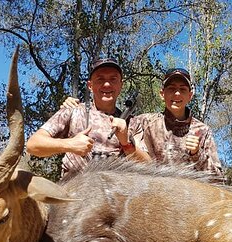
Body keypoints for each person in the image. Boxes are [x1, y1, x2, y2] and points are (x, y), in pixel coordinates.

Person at [61, 67, 223, 176]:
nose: (177, 94)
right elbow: (111, 123)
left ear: (190, 95)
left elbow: (217, 179)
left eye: (182, 89)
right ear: (162, 93)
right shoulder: (144, 122)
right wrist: (74, 107)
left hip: (188, 204)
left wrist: (197, 155)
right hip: (150, 202)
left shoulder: (202, 130)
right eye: (171, 89)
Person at [26, 58, 150, 179]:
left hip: (117, 196)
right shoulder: (73, 110)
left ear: (120, 85)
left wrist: (126, 143)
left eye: (113, 79)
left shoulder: (132, 122)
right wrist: (69, 144)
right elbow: (33, 145)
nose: (107, 84)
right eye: (100, 79)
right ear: (90, 85)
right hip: (74, 194)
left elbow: (149, 167)